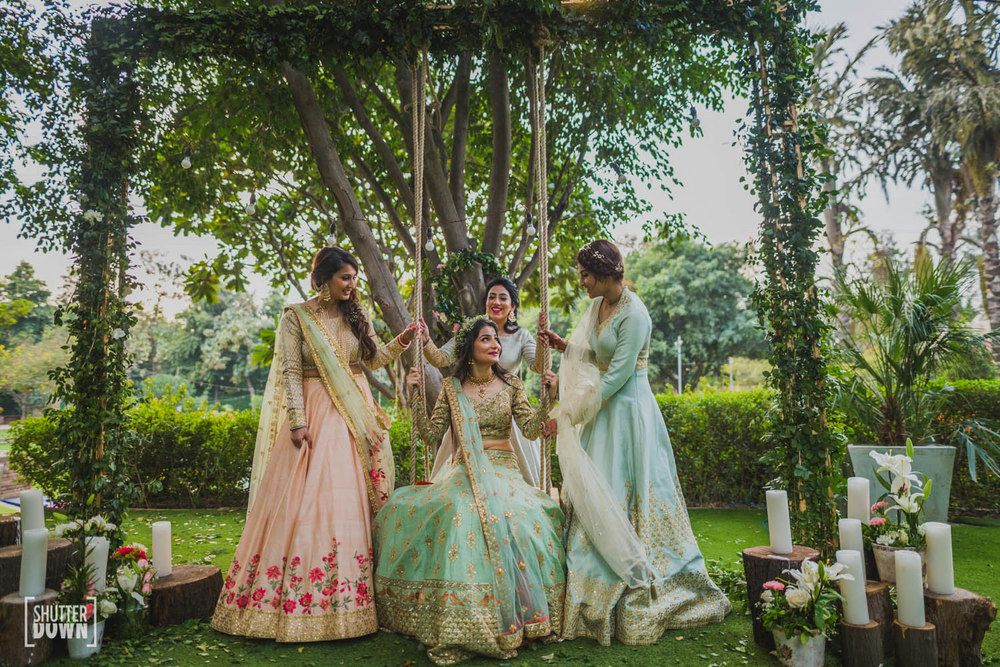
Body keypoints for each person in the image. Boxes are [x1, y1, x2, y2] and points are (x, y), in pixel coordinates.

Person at [212, 246, 421, 642]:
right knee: (309, 499)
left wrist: (405, 340)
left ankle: (352, 601)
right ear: (322, 279)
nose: (352, 285)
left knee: (348, 500)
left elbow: (373, 361)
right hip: (314, 413)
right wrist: (298, 420)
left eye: (354, 278)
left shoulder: (357, 315)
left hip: (354, 415)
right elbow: (291, 370)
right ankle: (292, 600)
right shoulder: (297, 317)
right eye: (345, 277)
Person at [540, 239, 730, 645]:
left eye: (585, 275)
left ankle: (639, 572)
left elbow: (616, 375)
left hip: (628, 411)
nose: (581, 281)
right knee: (598, 488)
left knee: (626, 485)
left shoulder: (635, 314)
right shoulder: (598, 306)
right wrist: (565, 346)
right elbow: (594, 354)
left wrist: (568, 414)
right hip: (603, 409)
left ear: (607, 274)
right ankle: (589, 580)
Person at [374, 317, 564, 664]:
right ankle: (455, 615)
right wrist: (414, 394)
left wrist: (549, 399)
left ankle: (520, 613)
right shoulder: (452, 387)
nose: (495, 344)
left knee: (518, 514)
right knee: (459, 512)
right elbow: (431, 437)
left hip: (503, 470)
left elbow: (533, 430)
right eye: (486, 339)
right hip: (463, 471)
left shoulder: (513, 385)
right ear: (469, 348)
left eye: (496, 339)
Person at [423, 277, 544, 485]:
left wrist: (543, 341)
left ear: (512, 306)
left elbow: (538, 365)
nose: (496, 302)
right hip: (471, 413)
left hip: (506, 414)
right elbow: (440, 358)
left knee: (521, 485)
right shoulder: (471, 331)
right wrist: (425, 340)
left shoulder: (521, 336)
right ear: (486, 302)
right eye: (492, 297)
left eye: (503, 298)